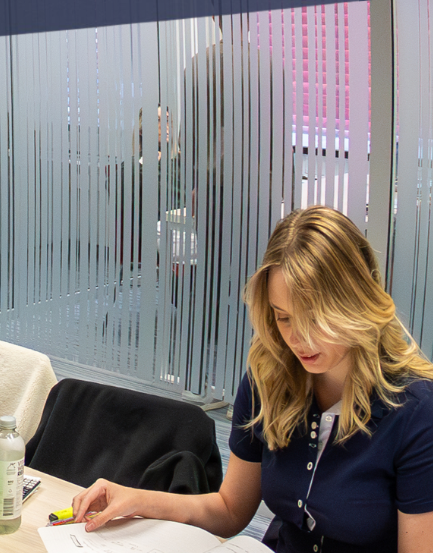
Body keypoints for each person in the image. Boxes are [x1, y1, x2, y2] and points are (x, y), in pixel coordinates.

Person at [72, 206, 433, 552]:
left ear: (357, 304)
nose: (298, 340)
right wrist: (136, 499)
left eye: (315, 318)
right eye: (284, 317)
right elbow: (230, 510)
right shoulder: (271, 377)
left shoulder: (415, 410)